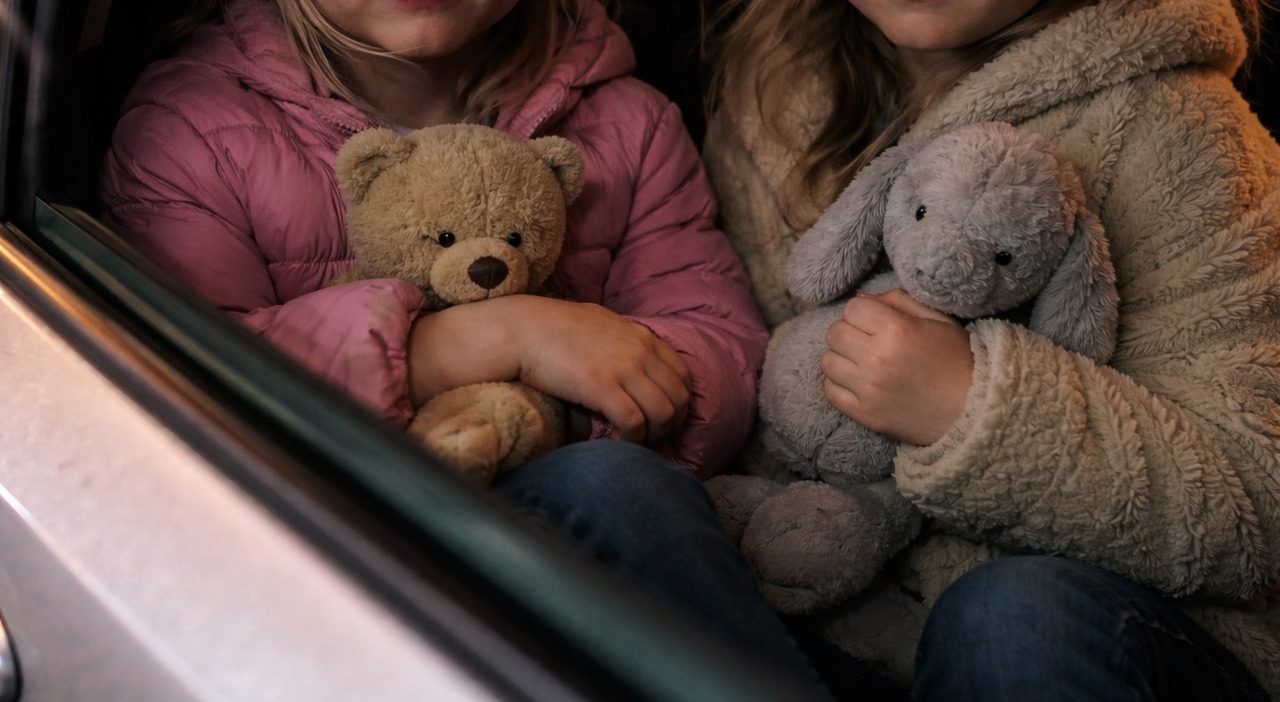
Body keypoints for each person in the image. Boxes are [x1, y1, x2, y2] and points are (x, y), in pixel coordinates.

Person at [96, 0, 833, 696]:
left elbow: (717, 346)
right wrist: (479, 342)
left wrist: (548, 409)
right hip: (328, 543)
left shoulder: (626, 121)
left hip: (576, 516)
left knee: (612, 487)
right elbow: (190, 389)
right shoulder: (192, 129)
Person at [703, 0, 1280, 699]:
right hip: (827, 613)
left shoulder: (1181, 134)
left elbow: (1256, 509)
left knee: (1014, 616)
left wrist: (972, 407)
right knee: (627, 500)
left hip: (1091, 641)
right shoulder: (774, 81)